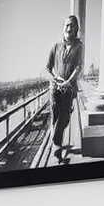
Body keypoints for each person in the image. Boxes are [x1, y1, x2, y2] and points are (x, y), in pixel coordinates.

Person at [45, 15, 84, 164]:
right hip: (55, 89)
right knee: (57, 117)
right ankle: (57, 147)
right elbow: (47, 67)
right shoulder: (56, 46)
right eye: (67, 25)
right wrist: (55, 78)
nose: (69, 28)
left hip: (69, 89)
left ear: (76, 29)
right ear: (63, 28)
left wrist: (68, 81)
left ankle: (56, 141)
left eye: (72, 26)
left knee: (65, 119)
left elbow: (78, 66)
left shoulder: (79, 46)